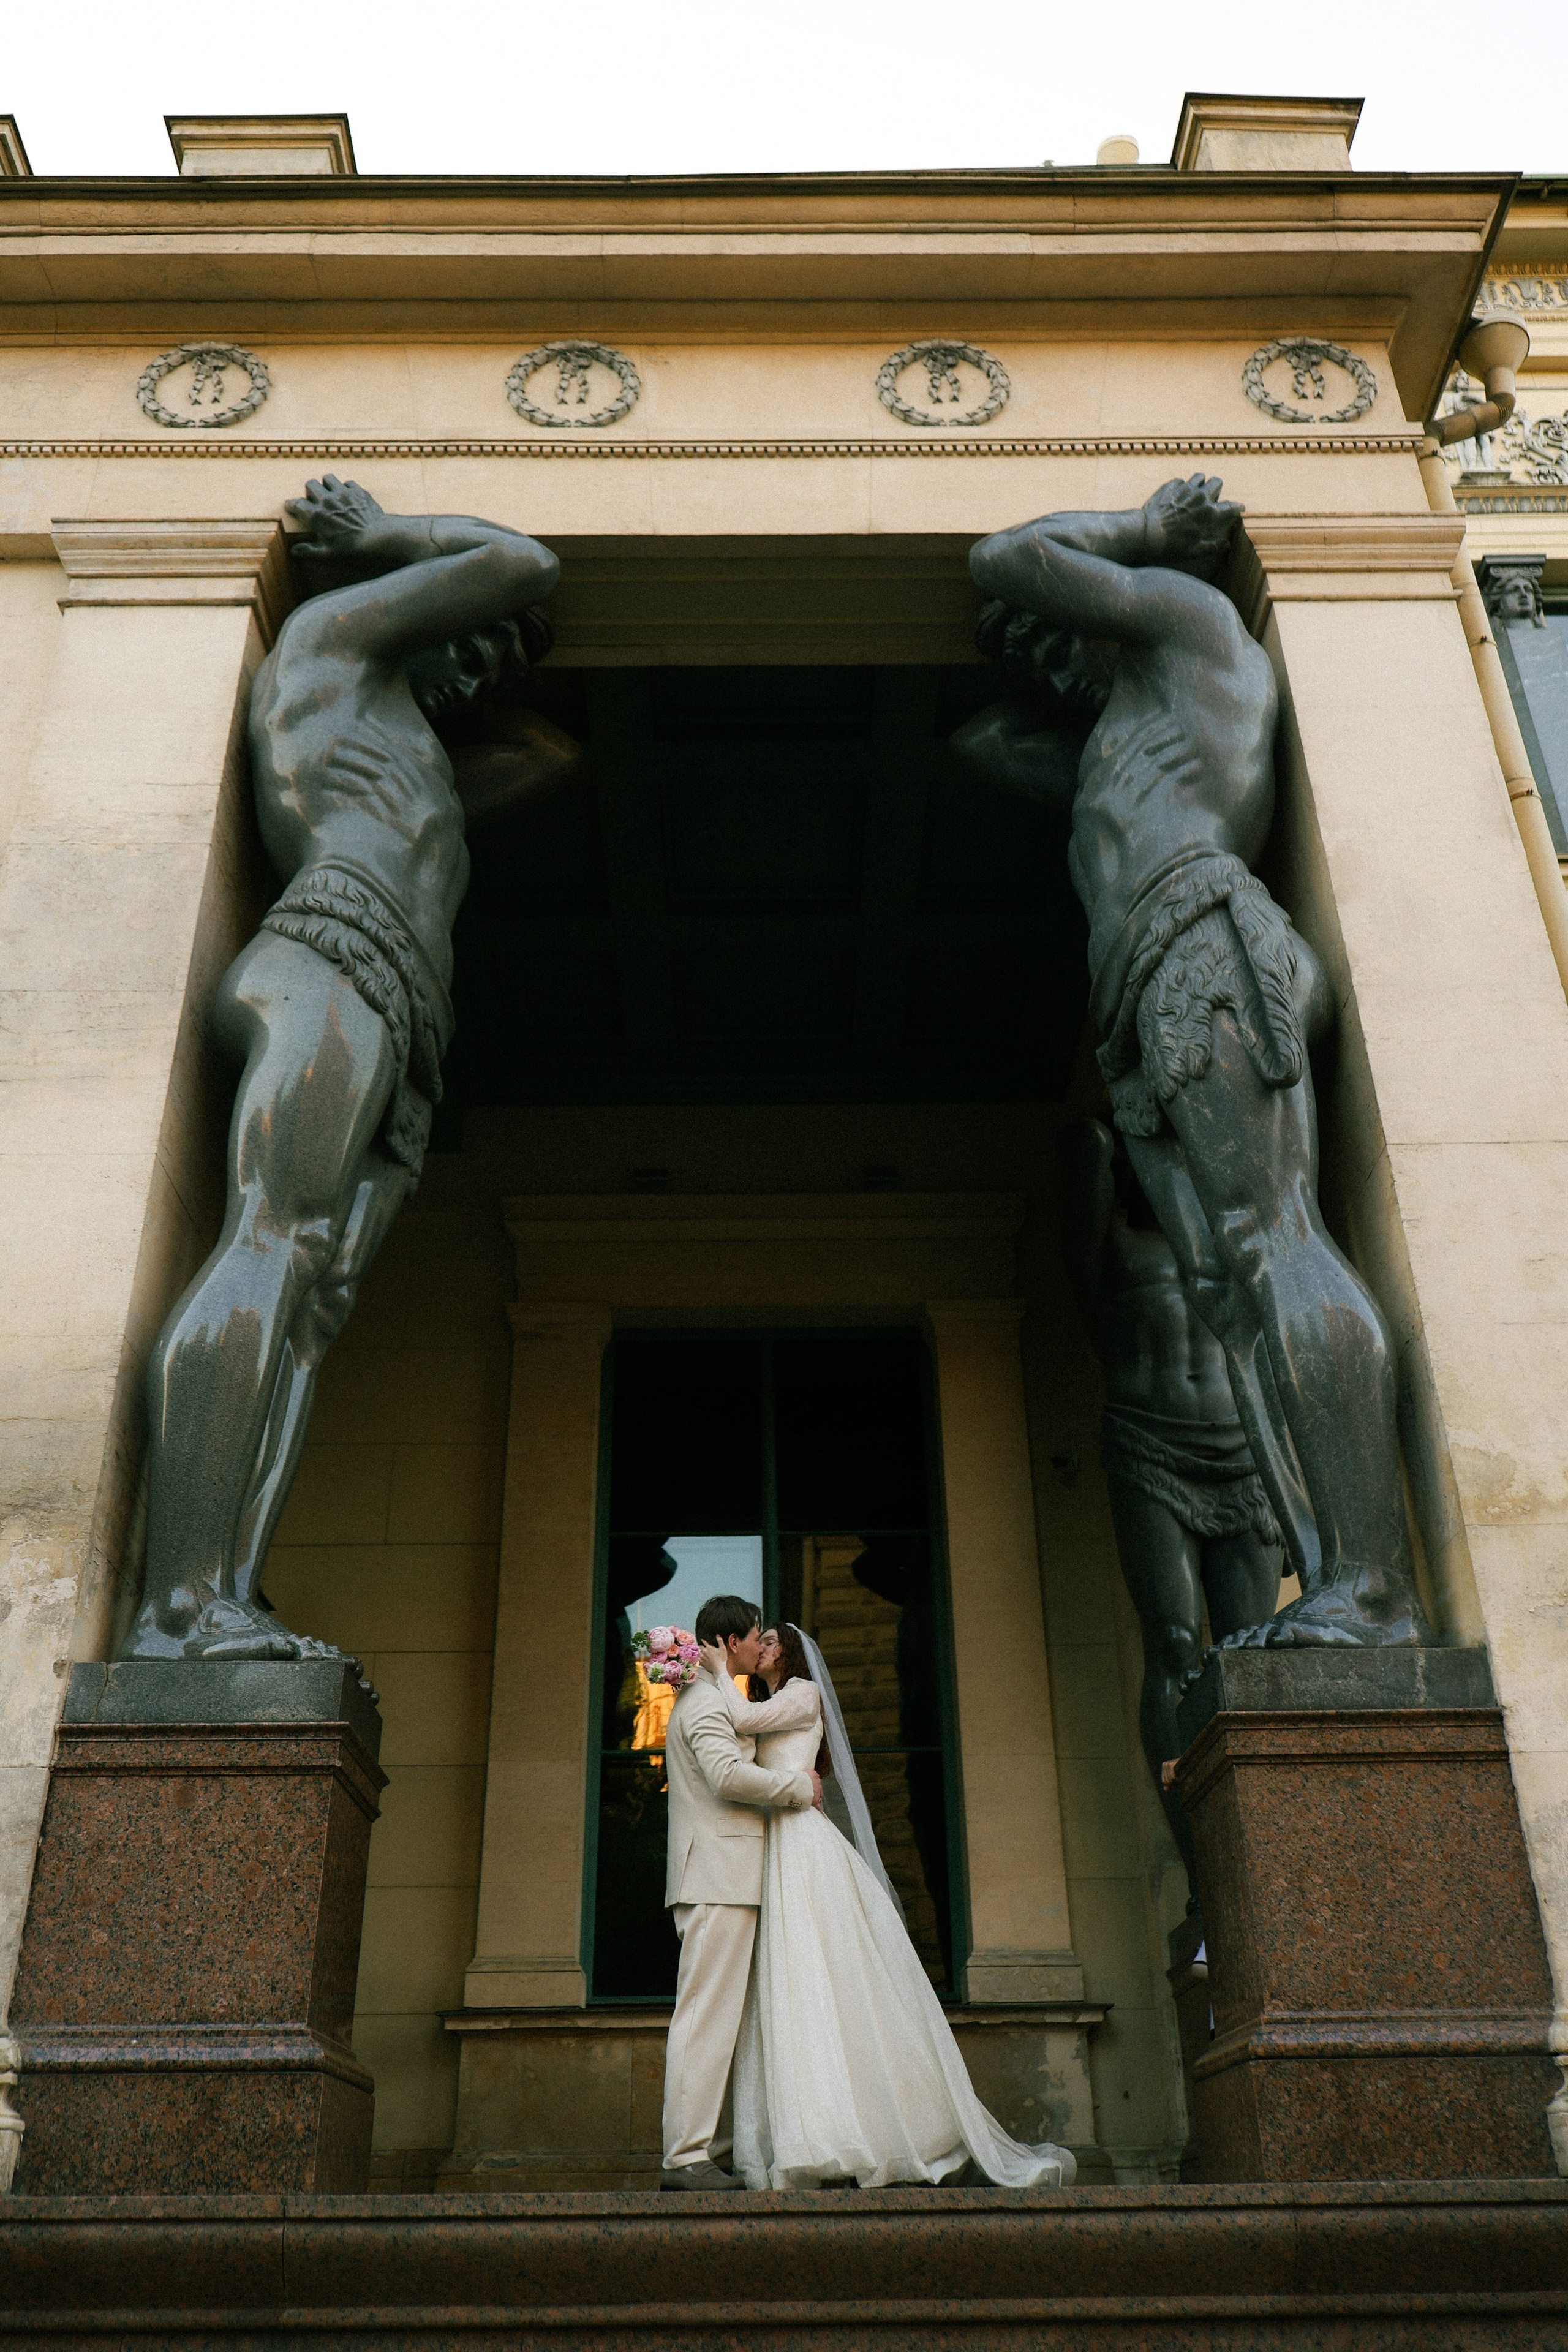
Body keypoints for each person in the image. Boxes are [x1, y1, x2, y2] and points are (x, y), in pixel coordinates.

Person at [952, 475, 1431, 1651]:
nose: (1042, 662)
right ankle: (1330, 1575)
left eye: (1052, 638)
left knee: (1274, 1243)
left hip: (1201, 934)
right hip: (1143, 986)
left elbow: (1010, 554)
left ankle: (1375, 1586)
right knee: (1226, 1286)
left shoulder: (1190, 629)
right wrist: (1068, 675)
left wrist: (1146, 537)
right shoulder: (1122, 736)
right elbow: (985, 740)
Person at [125, 477, 569, 1663]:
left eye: (500, 659)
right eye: (469, 643)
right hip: (326, 960)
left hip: (397, 1006)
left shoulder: (417, 750)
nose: (484, 669)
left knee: (316, 1301)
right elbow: (518, 557)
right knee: (275, 1242)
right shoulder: (329, 650)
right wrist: (381, 546)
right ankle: (174, 1606)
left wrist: (469, 674)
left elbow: (542, 752)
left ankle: (228, 1593)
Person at [703, 1622, 1076, 2191]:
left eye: (775, 1640)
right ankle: (806, 2126)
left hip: (803, 1845)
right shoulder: (770, 1698)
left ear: (793, 1654)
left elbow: (744, 1723)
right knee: (793, 1981)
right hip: (778, 1841)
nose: (767, 1646)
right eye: (765, 1639)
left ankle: (872, 2131)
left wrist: (710, 1669)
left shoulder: (801, 1693)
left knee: (823, 1970)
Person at [1061, 1117, 1283, 1898]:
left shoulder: (1230, 1241)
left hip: (1243, 1454)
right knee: (1177, 1642)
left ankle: (1269, 1857)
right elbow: (1086, 1149)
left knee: (1253, 1648)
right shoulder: (1109, 1246)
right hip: (1148, 1444)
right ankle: (1203, 1872)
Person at [660, 1596, 822, 2191]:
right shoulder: (704, 1702)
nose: (761, 1646)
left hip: (733, 1878)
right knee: (704, 2018)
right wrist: (797, 1787)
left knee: (726, 2021)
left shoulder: (721, 1698)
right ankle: (684, 2159)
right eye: (756, 1637)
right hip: (717, 1879)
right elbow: (728, 1777)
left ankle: (712, 2150)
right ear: (730, 1643)